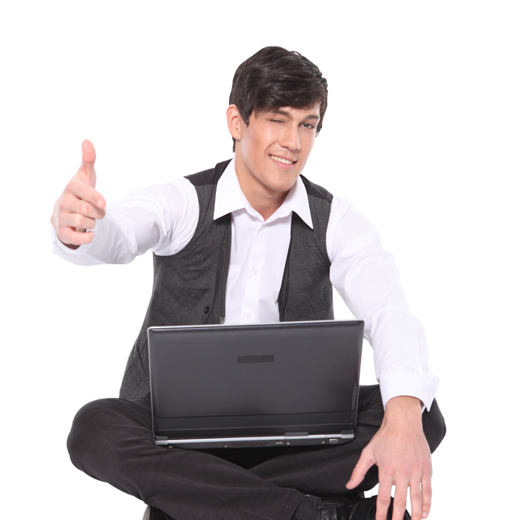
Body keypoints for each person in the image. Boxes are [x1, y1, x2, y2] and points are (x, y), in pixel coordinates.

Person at [50, 45, 446, 520]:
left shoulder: (339, 220)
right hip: (178, 432)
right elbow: (123, 231)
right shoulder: (185, 201)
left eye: (307, 124)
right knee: (94, 428)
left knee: (421, 413)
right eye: (278, 120)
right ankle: (315, 512)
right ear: (237, 122)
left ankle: (198, 494)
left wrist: (402, 413)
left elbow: (389, 312)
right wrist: (83, 229)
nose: (294, 142)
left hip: (297, 434)